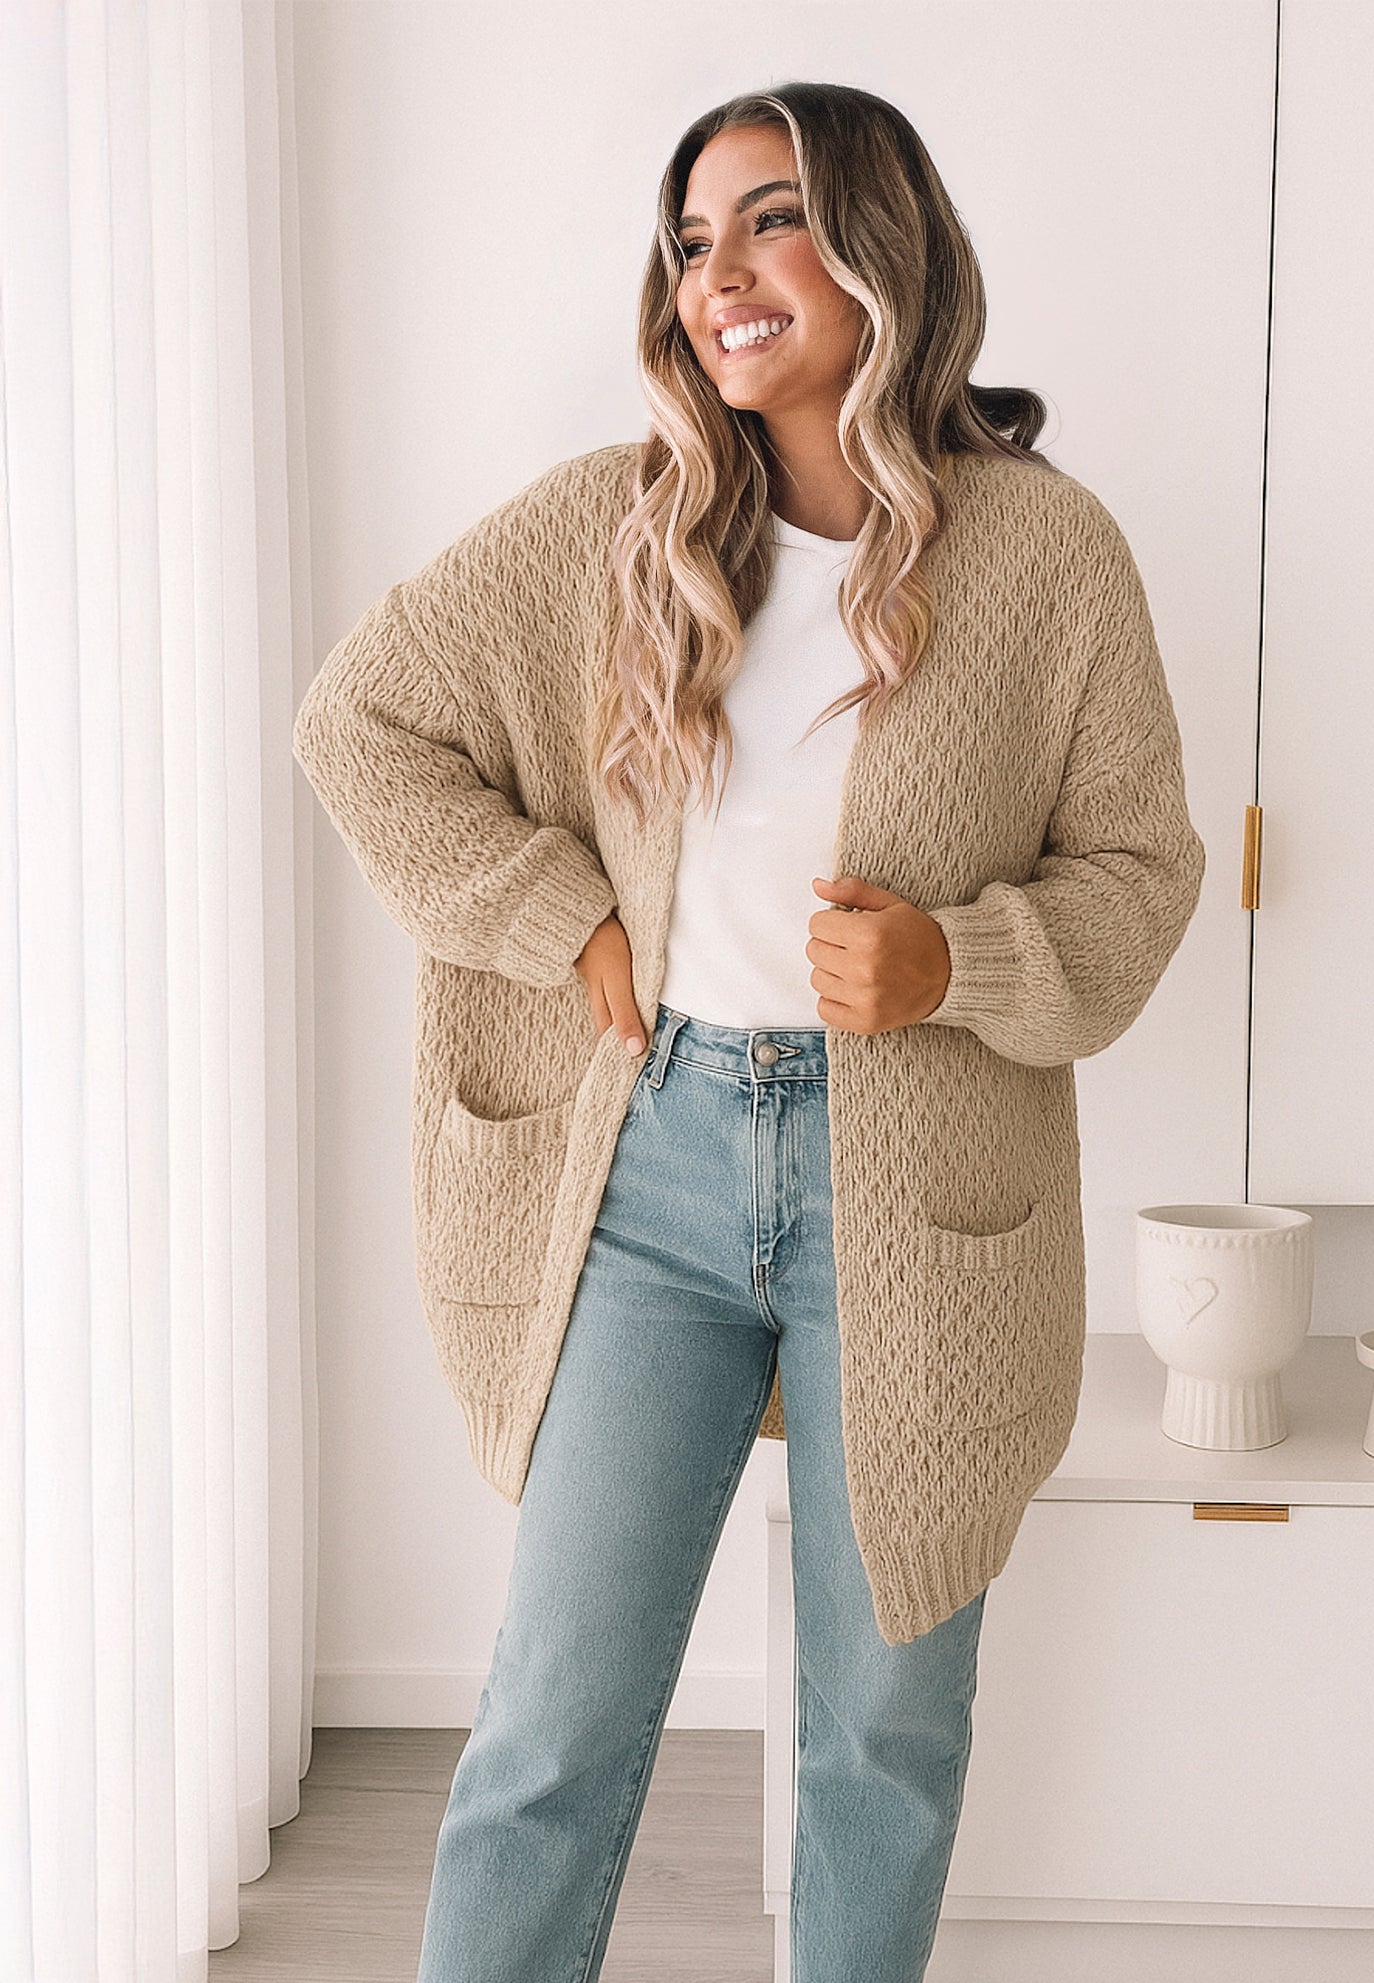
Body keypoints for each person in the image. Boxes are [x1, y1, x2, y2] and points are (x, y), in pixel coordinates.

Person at [293, 78, 1205, 1983]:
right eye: (694, 240)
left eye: (772, 219)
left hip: (922, 1200)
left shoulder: (1048, 558)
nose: (723, 273)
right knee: (553, 1725)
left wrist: (954, 965)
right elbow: (360, 728)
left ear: (884, 245)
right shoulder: (608, 534)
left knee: (885, 1732)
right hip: (652, 1173)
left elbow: (1140, 876)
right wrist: (565, 924)